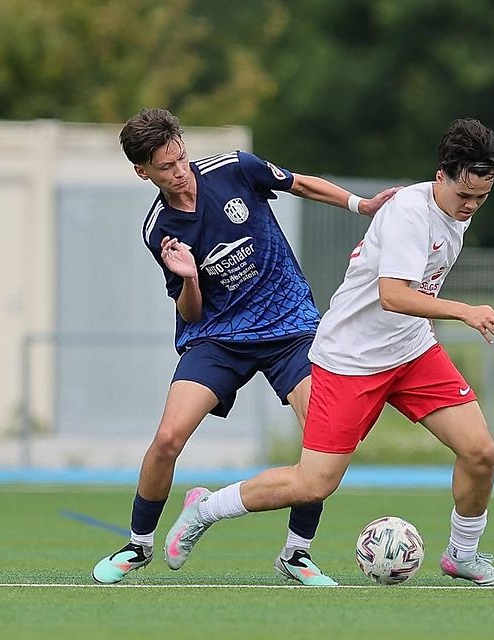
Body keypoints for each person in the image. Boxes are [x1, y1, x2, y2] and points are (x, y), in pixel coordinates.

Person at [161, 118, 494, 587]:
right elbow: (393, 295)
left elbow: (412, 296)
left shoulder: (454, 212)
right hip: (351, 360)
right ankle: (206, 508)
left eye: (481, 198)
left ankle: (463, 555)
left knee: (480, 452)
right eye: (465, 195)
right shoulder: (410, 215)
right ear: (441, 176)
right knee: (314, 484)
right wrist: (466, 312)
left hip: (411, 350)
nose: (471, 206)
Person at [92, 108, 398, 586]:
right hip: (217, 337)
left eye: (181, 157)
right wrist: (189, 278)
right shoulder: (159, 229)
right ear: (142, 171)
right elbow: (192, 311)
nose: (180, 171)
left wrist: (362, 206)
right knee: (168, 438)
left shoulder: (234, 168)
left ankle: (296, 553)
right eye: (166, 167)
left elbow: (300, 184)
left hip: (290, 328)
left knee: (322, 439)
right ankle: (138, 544)